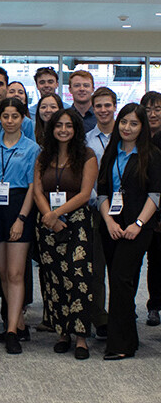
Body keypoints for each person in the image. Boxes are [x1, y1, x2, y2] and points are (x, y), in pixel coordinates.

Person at [98, 103, 161, 360]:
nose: (127, 127)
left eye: (134, 123)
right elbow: (102, 192)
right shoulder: (111, 153)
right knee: (120, 279)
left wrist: (138, 224)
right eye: (123, 122)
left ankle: (120, 344)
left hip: (138, 226)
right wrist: (109, 222)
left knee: (122, 280)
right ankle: (129, 338)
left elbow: (156, 194)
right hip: (112, 226)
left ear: (142, 127)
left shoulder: (152, 154)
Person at [34, 108, 97, 360]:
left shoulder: (87, 155)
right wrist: (49, 217)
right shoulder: (43, 155)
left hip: (77, 221)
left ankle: (81, 336)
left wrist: (56, 213)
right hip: (48, 224)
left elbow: (84, 193)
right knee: (54, 278)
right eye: (59, 125)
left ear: (76, 129)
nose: (63, 130)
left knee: (78, 276)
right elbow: (37, 190)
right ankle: (63, 333)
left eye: (69, 126)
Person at [0, 98, 39, 354]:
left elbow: (32, 188)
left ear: (22, 119)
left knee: (16, 274)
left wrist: (22, 218)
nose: (9, 120)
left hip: (18, 206)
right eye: (5, 116)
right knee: (3, 273)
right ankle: (17, 323)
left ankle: (12, 331)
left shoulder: (32, 149)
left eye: (14, 116)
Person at [85, 87, 117, 341]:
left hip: (127, 210)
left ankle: (121, 315)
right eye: (99, 106)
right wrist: (99, 202)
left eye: (108, 105)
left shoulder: (128, 135)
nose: (104, 110)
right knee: (96, 268)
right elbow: (88, 180)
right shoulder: (88, 140)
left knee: (122, 268)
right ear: (93, 109)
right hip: (96, 209)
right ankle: (101, 319)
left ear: (115, 106)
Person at [141, 91, 161, 326]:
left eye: (157, 109)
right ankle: (154, 305)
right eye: (148, 110)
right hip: (143, 208)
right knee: (153, 261)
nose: (153, 114)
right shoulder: (139, 137)